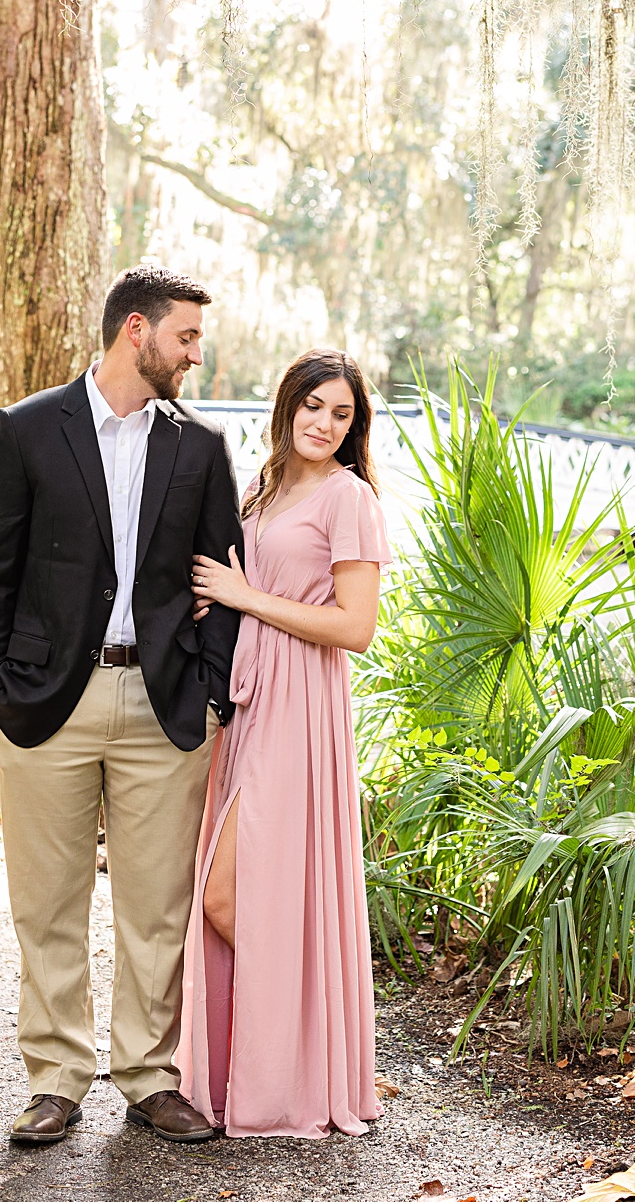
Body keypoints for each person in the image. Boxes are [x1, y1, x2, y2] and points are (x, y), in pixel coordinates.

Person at [0, 266, 243, 1148]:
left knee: (155, 908)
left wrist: (208, 694)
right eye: (187, 337)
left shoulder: (200, 450)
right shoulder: (26, 428)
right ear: (137, 330)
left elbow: (222, 582)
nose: (197, 355)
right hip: (45, 702)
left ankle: (149, 1078)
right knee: (46, 903)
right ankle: (55, 1079)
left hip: (163, 706)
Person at [180, 347, 390, 1139]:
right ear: (287, 406)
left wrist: (246, 595)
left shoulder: (349, 498)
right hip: (252, 701)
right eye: (314, 407)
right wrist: (219, 608)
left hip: (305, 705)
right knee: (239, 889)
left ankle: (302, 1052)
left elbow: (356, 627)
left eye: (342, 414)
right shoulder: (264, 487)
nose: (324, 424)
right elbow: (233, 588)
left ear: (353, 426)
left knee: (227, 894)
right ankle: (285, 1049)